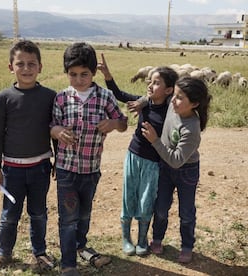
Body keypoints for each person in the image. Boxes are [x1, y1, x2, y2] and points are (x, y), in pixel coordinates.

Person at [50, 42, 128, 276]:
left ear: (94, 73)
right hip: (66, 169)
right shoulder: (62, 98)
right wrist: (55, 131)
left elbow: (123, 123)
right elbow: (52, 124)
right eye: (73, 74)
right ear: (67, 73)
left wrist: (114, 124)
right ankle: (68, 263)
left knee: (84, 214)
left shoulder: (105, 97)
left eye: (84, 74)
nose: (79, 79)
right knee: (68, 217)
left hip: (91, 170)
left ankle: (80, 245)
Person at [0, 40, 57, 272]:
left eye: (31, 64)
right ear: (11, 67)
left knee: (38, 213)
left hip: (41, 168)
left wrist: (59, 160)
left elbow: (55, 130)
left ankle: (40, 253)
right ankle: (3, 253)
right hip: (12, 170)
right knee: (9, 215)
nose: (26, 69)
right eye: (20, 64)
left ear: (40, 67)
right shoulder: (3, 98)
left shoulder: (50, 97)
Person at [98, 54, 178, 256]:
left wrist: (146, 100)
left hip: (153, 163)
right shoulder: (143, 102)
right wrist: (107, 75)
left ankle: (142, 239)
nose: (150, 85)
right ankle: (126, 238)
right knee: (129, 197)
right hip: (133, 156)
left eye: (157, 83)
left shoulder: (171, 111)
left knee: (146, 200)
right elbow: (117, 93)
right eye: (150, 81)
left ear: (169, 90)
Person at [142, 76, 212, 264]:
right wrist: (141, 102)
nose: (173, 99)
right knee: (161, 207)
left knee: (186, 212)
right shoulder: (173, 106)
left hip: (185, 170)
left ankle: (187, 246)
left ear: (194, 104)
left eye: (180, 97)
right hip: (165, 167)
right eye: (174, 94)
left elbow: (177, 160)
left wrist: (155, 140)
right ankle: (157, 239)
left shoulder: (191, 128)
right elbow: (153, 96)